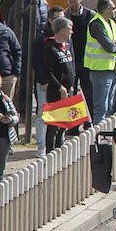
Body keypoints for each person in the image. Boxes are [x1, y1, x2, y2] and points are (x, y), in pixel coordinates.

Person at [39, 17, 76, 152]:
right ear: (63, 30)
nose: (72, 32)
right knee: (54, 124)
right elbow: (47, 71)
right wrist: (60, 87)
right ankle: (50, 152)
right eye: (70, 30)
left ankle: (60, 149)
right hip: (56, 92)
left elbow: (71, 67)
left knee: (65, 124)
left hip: (69, 90)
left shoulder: (68, 45)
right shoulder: (50, 47)